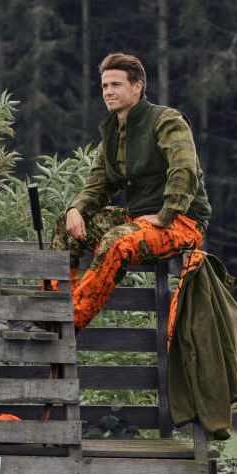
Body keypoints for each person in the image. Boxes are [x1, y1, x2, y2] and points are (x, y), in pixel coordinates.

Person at [54, 52, 211, 332]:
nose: (108, 92)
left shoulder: (166, 121)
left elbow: (184, 169)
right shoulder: (113, 131)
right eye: (104, 86)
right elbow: (98, 182)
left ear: (137, 86)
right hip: (137, 220)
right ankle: (52, 309)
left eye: (116, 85)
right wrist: (76, 209)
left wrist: (166, 215)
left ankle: (68, 322)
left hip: (181, 223)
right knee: (66, 225)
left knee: (117, 242)